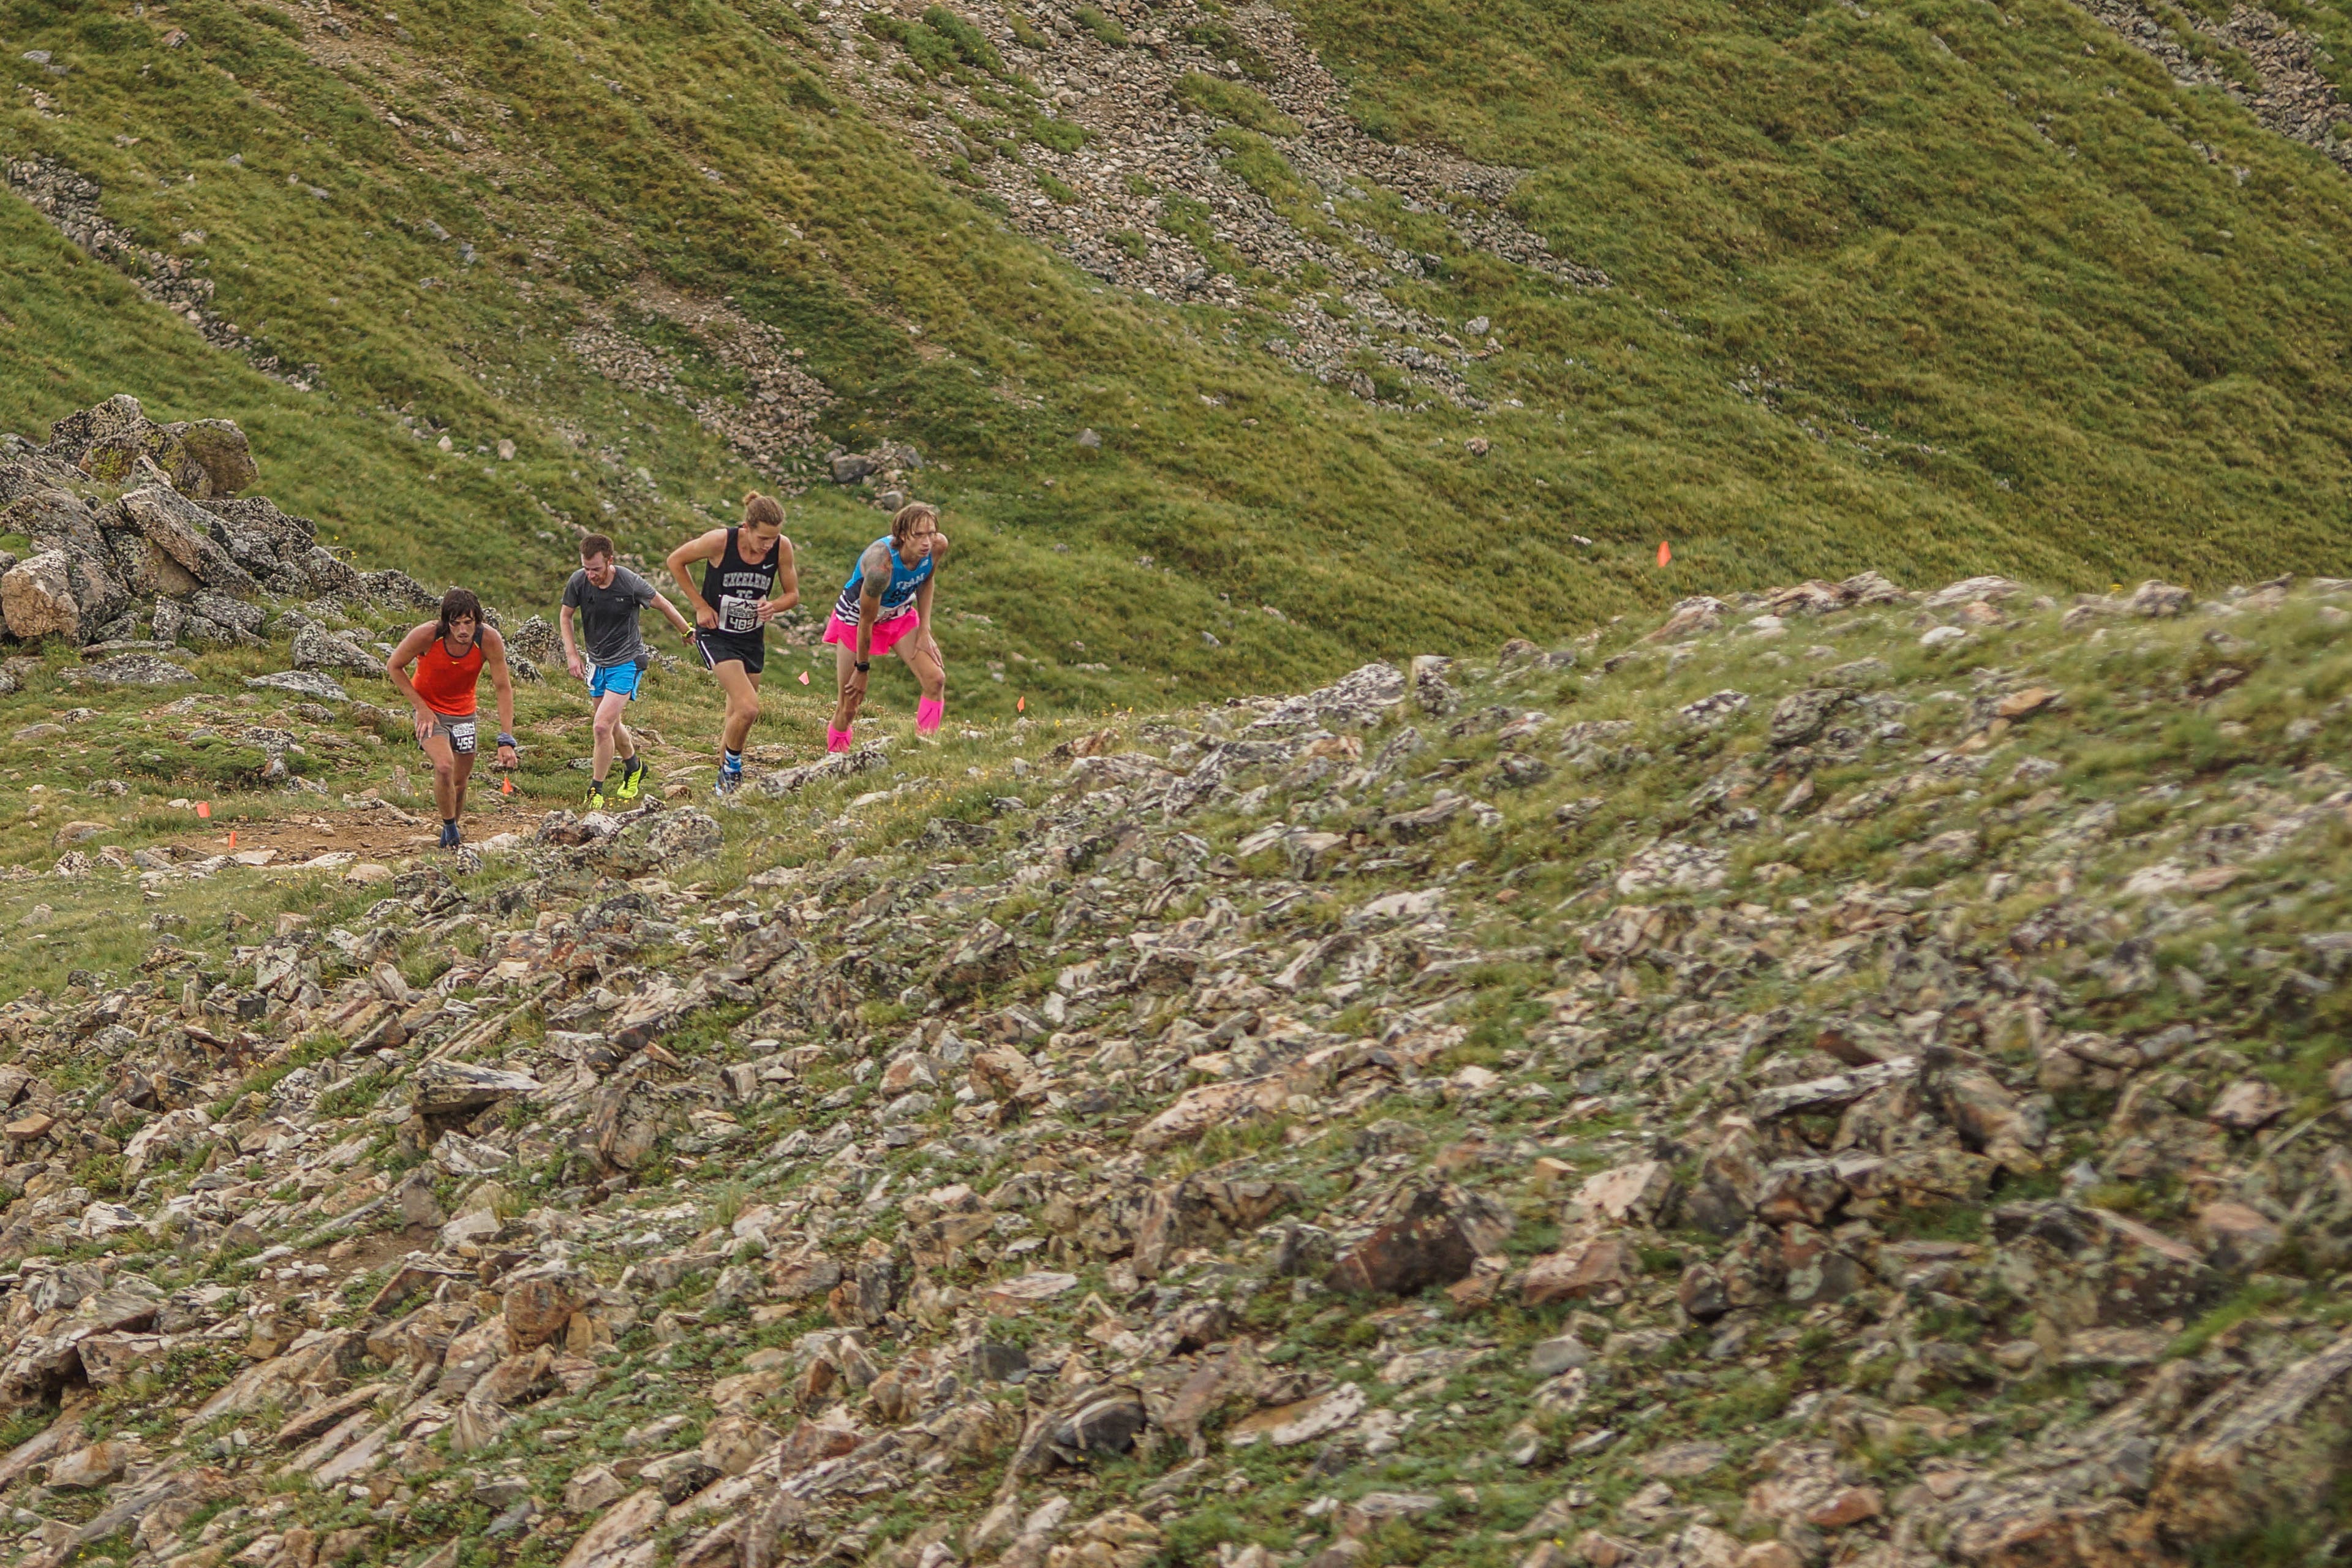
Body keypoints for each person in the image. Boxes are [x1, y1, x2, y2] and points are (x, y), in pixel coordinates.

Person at [666, 492, 799, 795]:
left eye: (773, 538)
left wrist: (774, 606)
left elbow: (793, 594)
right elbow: (676, 561)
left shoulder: (782, 547)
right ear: (747, 527)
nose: (768, 545)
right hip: (716, 635)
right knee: (749, 708)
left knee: (737, 716)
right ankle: (731, 772)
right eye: (763, 538)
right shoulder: (719, 542)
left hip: (751, 637)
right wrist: (700, 605)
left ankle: (721, 778)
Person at [560, 533, 698, 810]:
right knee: (612, 725)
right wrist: (573, 655)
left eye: (596, 570)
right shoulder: (578, 580)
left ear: (610, 561)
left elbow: (664, 604)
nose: (590, 576)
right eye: (586, 569)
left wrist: (686, 630)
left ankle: (595, 790)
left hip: (627, 661)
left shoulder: (629, 582)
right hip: (597, 663)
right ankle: (635, 766)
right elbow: (566, 616)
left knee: (601, 726)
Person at [385, 587, 518, 849]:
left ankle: (451, 835)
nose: (462, 631)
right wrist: (420, 707)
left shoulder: (489, 640)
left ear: (477, 621)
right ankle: (449, 828)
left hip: (465, 715)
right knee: (444, 766)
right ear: (446, 623)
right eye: (455, 624)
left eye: (468, 623)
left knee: (459, 783)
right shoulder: (427, 635)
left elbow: (503, 687)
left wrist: (506, 738)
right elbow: (394, 666)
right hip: (431, 714)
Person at [824, 502, 948, 753]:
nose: (927, 542)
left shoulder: (937, 547)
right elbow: (865, 622)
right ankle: (835, 759)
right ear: (902, 535)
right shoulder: (881, 567)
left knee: (935, 680)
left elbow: (927, 581)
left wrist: (925, 631)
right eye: (918, 535)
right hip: (857, 618)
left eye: (931, 533)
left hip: (899, 612)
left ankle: (922, 748)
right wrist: (862, 668)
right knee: (849, 705)